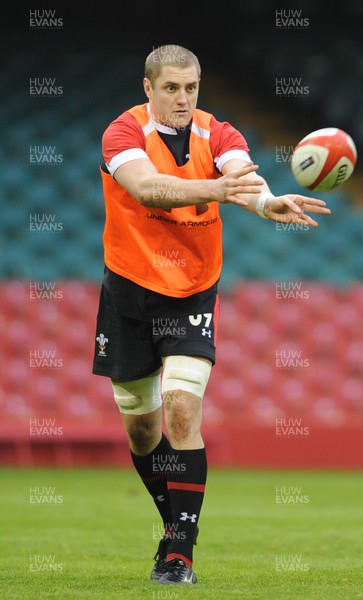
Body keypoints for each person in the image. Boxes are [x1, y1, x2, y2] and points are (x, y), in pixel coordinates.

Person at [92, 44, 331, 586]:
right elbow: (147, 187)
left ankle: (180, 555)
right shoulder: (122, 134)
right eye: (171, 88)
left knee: (181, 411)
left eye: (191, 87)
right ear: (148, 88)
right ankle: (173, 527)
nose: (183, 98)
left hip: (192, 292)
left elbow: (242, 176)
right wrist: (220, 191)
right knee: (141, 431)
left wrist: (265, 202)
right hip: (128, 291)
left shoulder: (219, 134)